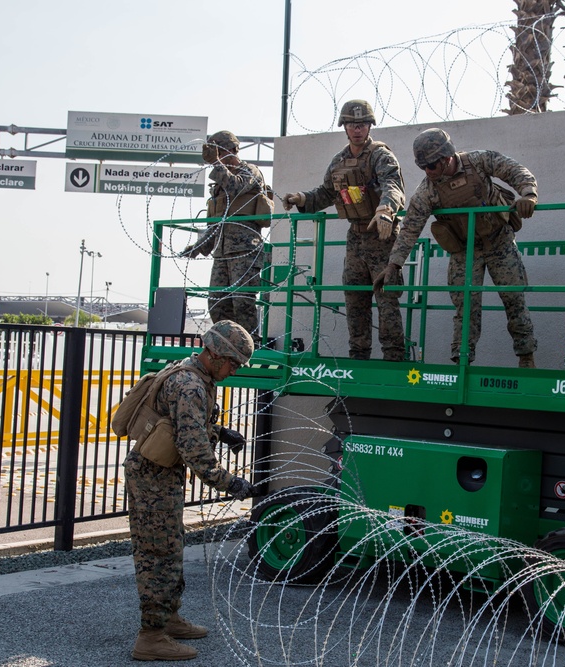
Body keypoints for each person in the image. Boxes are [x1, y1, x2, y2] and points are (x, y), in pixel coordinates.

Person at [123, 319, 257, 661]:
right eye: (234, 364)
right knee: (158, 555)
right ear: (215, 355)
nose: (235, 371)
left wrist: (221, 432)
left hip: (158, 474)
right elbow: (196, 455)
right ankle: (151, 637)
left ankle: (168, 618)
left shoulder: (190, 372)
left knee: (170, 547)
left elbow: (187, 423)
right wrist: (233, 484)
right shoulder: (191, 386)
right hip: (154, 479)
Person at [373, 128, 538, 367]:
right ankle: (462, 360)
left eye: (430, 166)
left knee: (514, 298)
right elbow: (410, 228)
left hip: (499, 241)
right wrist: (394, 264)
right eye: (423, 167)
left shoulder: (478, 161)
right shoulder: (427, 191)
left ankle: (526, 356)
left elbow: (513, 170)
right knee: (465, 305)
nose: (427, 172)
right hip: (465, 251)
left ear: (446, 157)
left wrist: (528, 194)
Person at [281, 99, 407, 361]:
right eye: (352, 124)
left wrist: (385, 210)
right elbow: (326, 192)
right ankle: (358, 355)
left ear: (369, 126)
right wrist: (301, 199)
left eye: (362, 124)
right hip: (356, 238)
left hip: (382, 237)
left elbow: (392, 185)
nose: (357, 129)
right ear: (344, 127)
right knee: (354, 299)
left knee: (387, 300)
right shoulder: (339, 161)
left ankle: (394, 357)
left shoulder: (381, 156)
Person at [183, 130, 269, 343]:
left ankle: (250, 344)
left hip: (244, 250)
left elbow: (237, 186)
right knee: (217, 303)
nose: (217, 158)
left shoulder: (250, 172)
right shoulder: (219, 185)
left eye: (220, 152)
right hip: (222, 252)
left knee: (242, 302)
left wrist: (217, 165)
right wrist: (200, 246)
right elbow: (216, 223)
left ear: (232, 150)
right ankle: (227, 344)